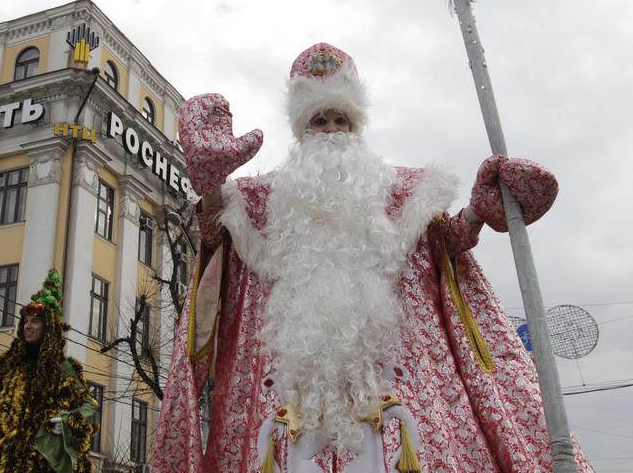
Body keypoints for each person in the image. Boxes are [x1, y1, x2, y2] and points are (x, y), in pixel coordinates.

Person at [154, 44, 592, 472]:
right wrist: (210, 188)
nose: (330, 131)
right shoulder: (259, 201)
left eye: (340, 119)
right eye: (319, 120)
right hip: (283, 406)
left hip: (400, 400)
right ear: (301, 130)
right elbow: (215, 242)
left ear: (357, 125)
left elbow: (445, 247)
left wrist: (481, 210)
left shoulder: (406, 192)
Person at [0, 269, 99, 472]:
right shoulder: (9, 364)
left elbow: (87, 404)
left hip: (37, 461)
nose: (28, 326)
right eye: (26, 321)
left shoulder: (62, 368)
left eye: (35, 321)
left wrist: (67, 423)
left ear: (48, 329)